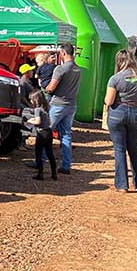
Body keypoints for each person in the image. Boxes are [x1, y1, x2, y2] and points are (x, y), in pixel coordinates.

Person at [104, 50, 137, 192]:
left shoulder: (115, 78)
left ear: (119, 61)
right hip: (135, 114)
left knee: (119, 150)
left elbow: (109, 101)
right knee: (134, 149)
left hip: (117, 114)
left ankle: (122, 185)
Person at [44, 44, 81, 174]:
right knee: (66, 135)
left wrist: (45, 89)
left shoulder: (60, 69)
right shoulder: (78, 69)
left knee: (46, 131)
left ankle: (41, 161)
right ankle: (66, 165)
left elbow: (51, 87)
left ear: (63, 53)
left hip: (58, 104)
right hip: (71, 105)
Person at [26, 91, 57, 181]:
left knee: (38, 154)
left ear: (35, 100)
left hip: (41, 133)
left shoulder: (37, 109)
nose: (31, 102)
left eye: (31, 100)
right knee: (50, 153)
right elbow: (49, 122)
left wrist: (30, 121)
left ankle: (40, 174)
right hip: (48, 132)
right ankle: (54, 173)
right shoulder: (46, 107)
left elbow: (38, 122)